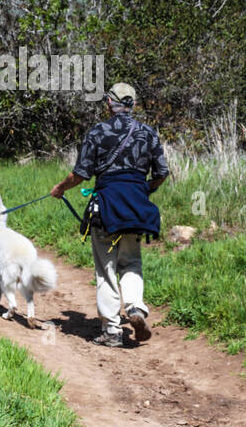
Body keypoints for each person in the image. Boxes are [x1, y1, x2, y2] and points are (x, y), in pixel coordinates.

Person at [50, 82, 168, 348]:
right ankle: (136, 308)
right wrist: (141, 191)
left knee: (106, 268)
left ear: (109, 103)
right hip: (136, 208)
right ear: (133, 104)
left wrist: (60, 189)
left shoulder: (97, 132)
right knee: (131, 262)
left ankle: (112, 331)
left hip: (106, 207)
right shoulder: (148, 133)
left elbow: (80, 174)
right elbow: (162, 173)